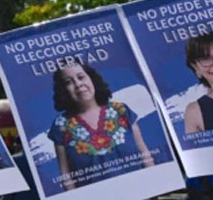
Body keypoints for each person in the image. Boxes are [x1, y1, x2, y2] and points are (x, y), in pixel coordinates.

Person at [48, 62, 154, 191]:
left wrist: (153, 189)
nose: (78, 84)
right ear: (63, 90)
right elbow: (66, 177)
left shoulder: (121, 111)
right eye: (69, 82)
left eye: (81, 77)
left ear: (92, 78)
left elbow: (145, 154)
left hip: (140, 195)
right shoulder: (61, 125)